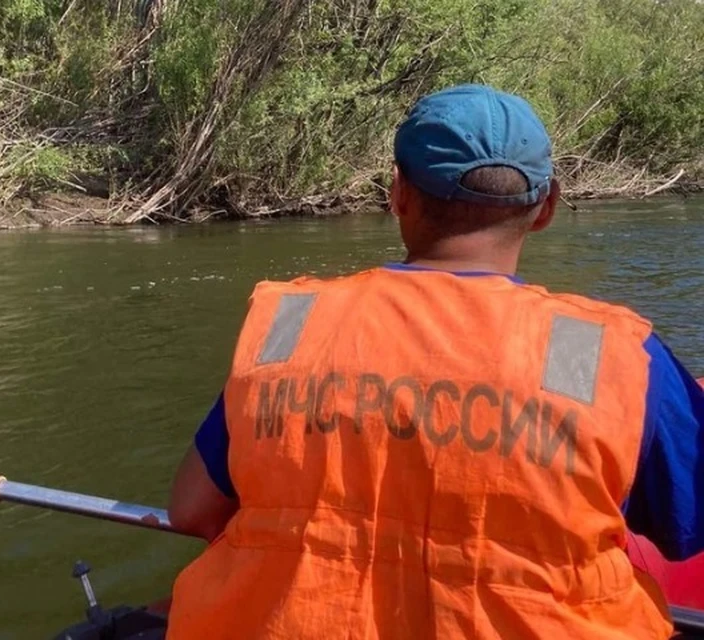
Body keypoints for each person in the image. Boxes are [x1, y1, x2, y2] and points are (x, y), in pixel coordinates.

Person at [162, 84, 704, 639]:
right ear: (546, 208)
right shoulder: (602, 351)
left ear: (397, 193)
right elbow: (690, 527)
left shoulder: (294, 326)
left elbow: (191, 510)